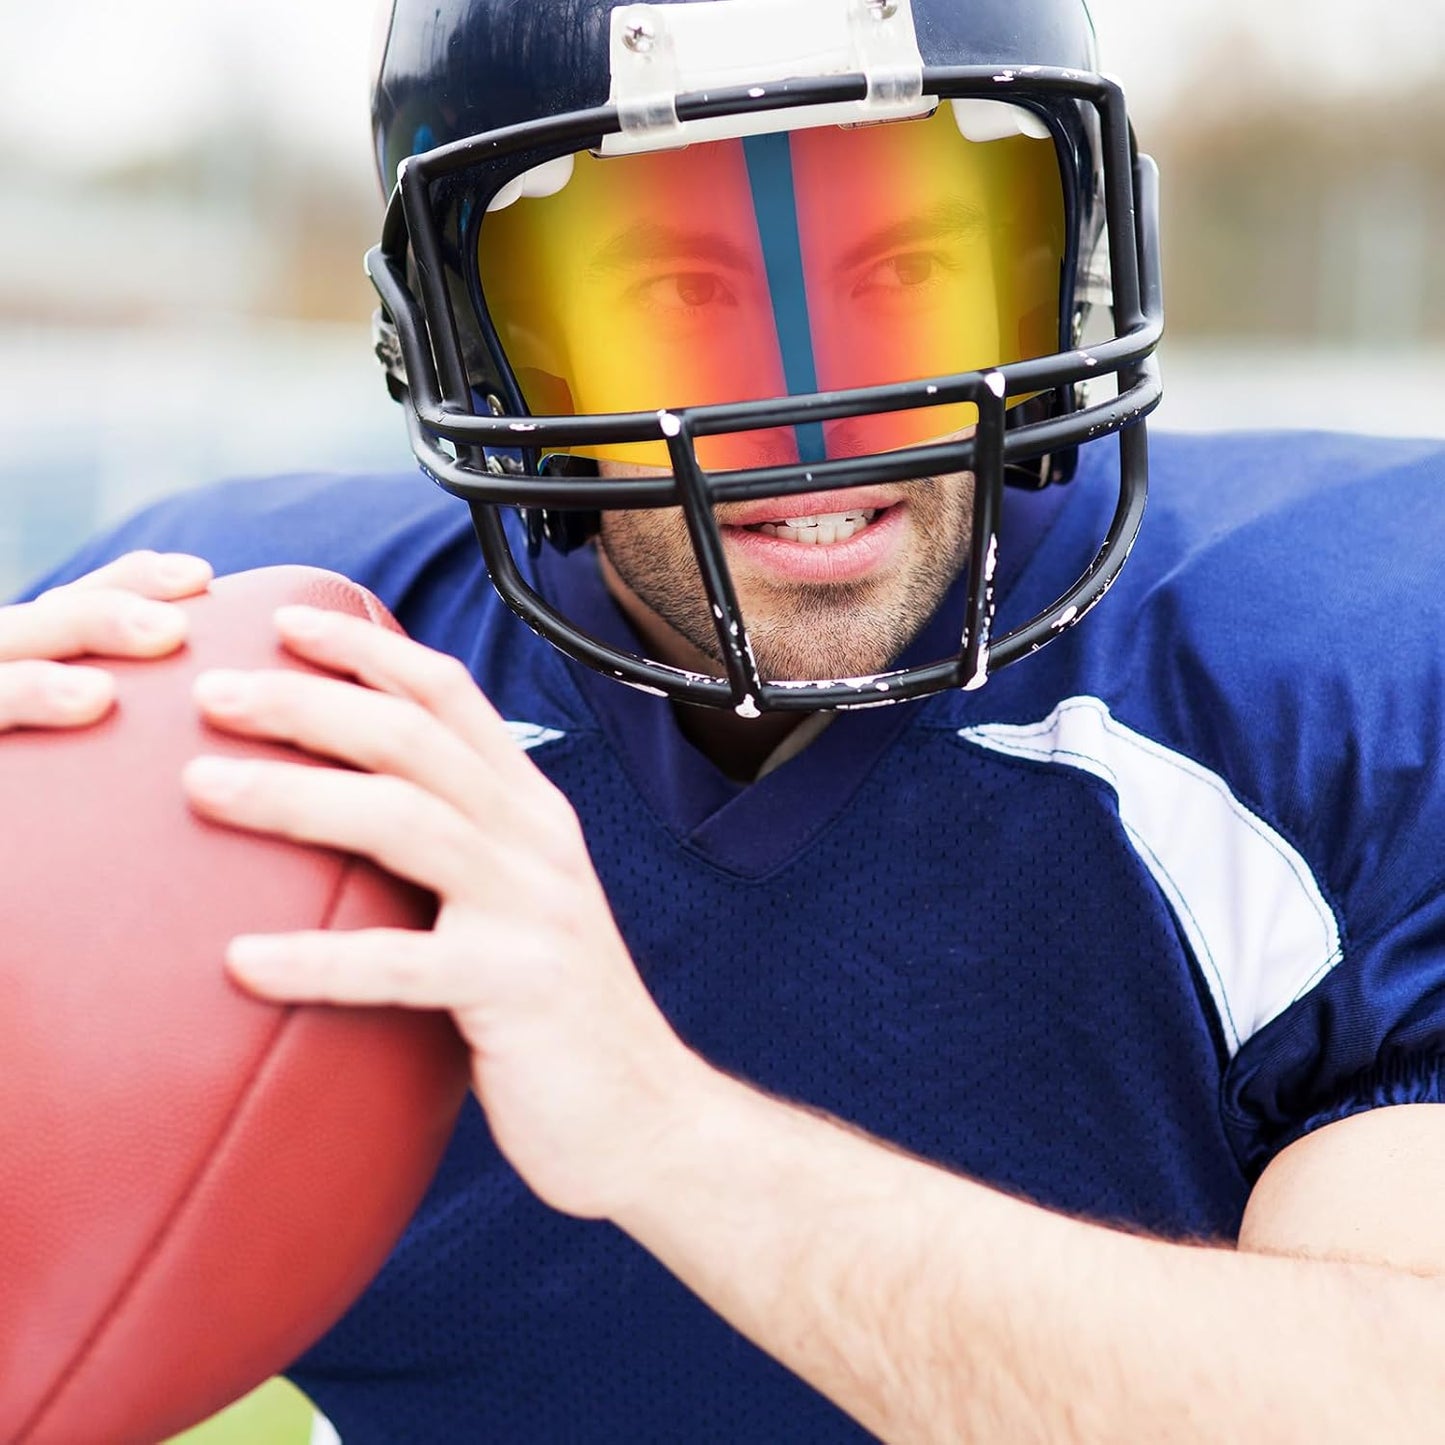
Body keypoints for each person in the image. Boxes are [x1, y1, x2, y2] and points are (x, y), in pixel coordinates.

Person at [7, 0, 1445, 1438]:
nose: (806, 417)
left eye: (910, 264)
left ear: (1048, 260)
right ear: (483, 339)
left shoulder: (1338, 665)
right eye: (675, 298)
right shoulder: (262, 689)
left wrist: (661, 1130)